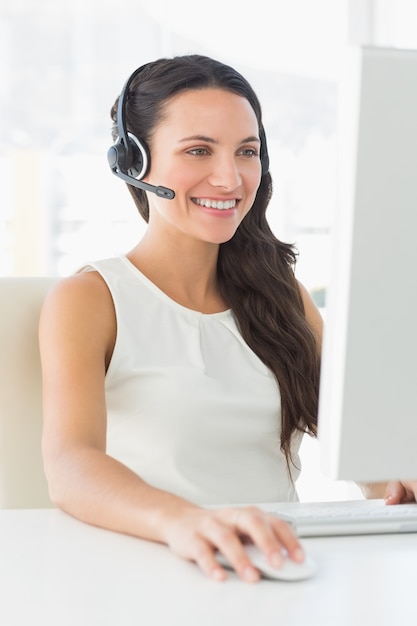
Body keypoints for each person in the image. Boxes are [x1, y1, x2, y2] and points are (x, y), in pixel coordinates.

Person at [39, 54, 417, 583]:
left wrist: (395, 483)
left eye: (247, 152)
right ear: (134, 161)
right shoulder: (90, 298)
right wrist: (184, 521)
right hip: (153, 569)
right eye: (198, 150)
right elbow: (71, 466)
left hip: (277, 569)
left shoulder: (283, 296)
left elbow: (362, 443)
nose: (229, 177)